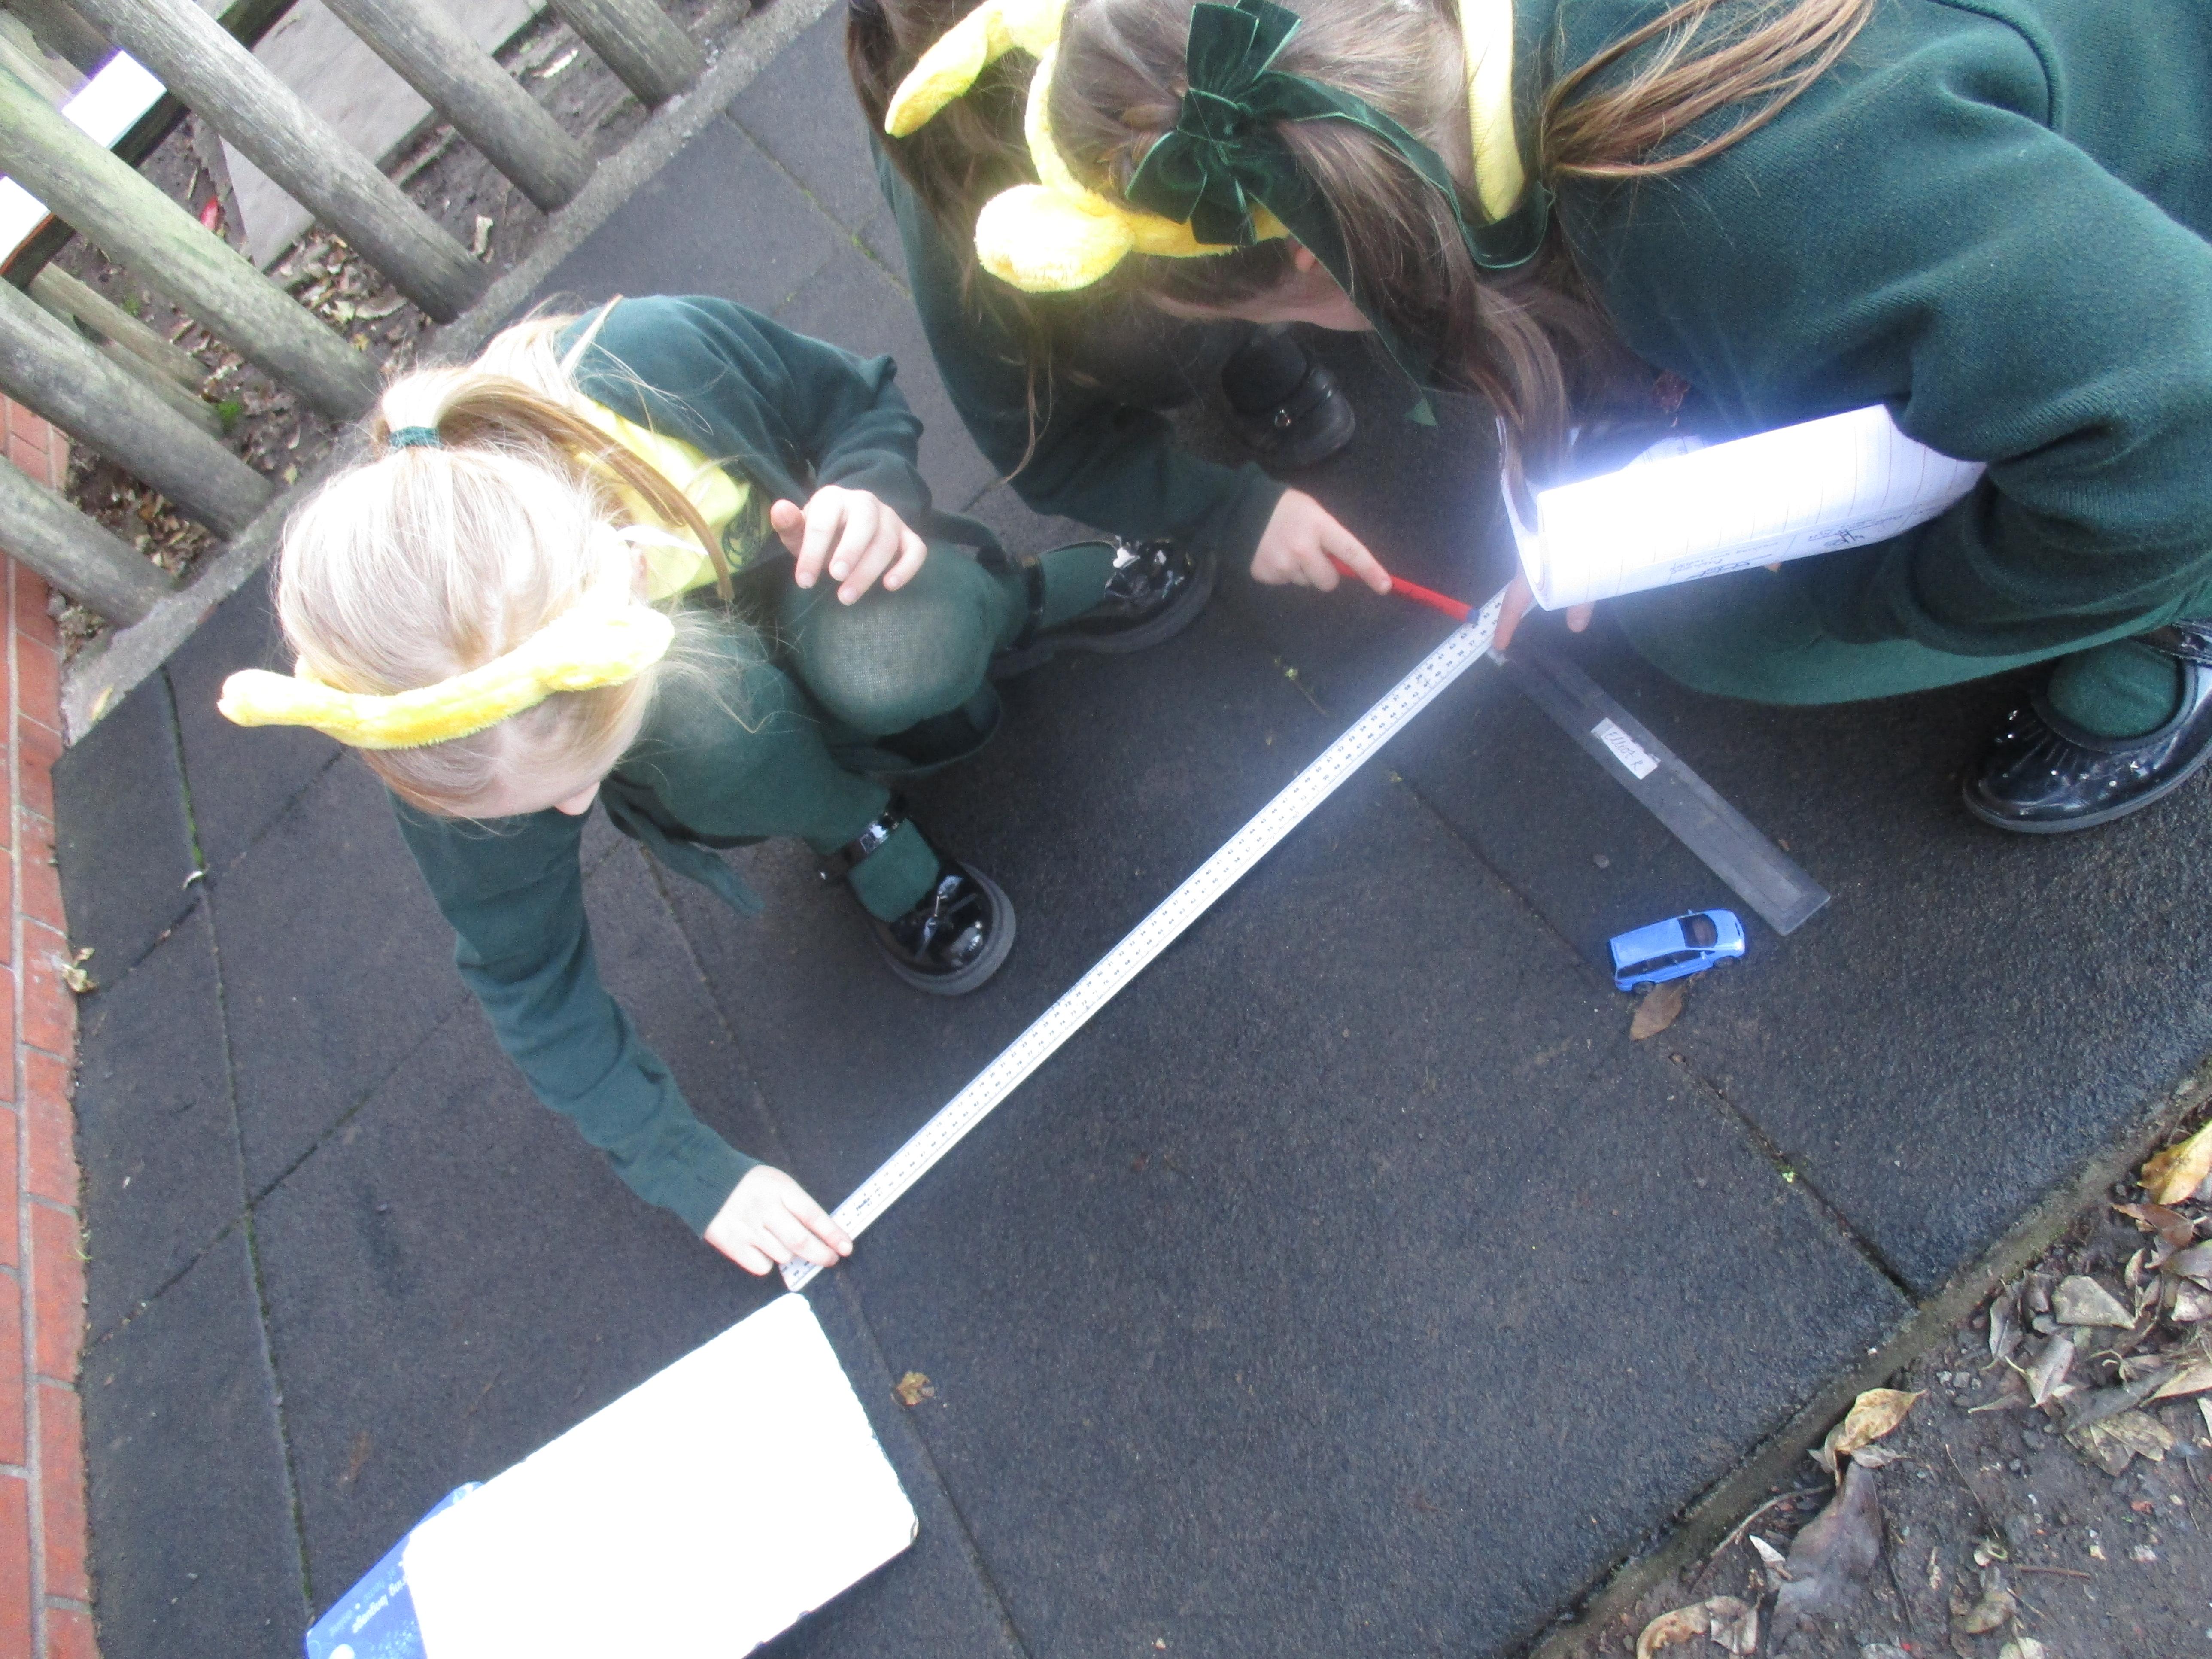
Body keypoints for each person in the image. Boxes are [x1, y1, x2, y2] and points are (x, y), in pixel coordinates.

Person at [878, 0, 2212, 834]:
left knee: (1723, 628)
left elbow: (2172, 427)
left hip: (2171, 290)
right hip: (2056, 169)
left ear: (1327, 265)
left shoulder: (1730, 194)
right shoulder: (1471, 61)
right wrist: (1587, 436)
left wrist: (1889, 583)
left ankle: (2179, 606)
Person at [216, 295, 1210, 1273]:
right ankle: (857, 824)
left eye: (579, 776)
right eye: (557, 796)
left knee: (903, 656)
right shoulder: (453, 743)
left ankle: (1019, 601)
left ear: (629, 579)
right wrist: (692, 1170)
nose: (574, 810)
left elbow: (856, 401)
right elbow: (526, 978)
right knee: (698, 721)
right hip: (716, 715)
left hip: (830, 595)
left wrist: (869, 492)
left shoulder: (657, 359)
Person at [847, 0, 1398, 605]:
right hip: (1117, 319)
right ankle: (1213, 348)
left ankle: (1246, 328)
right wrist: (1231, 511)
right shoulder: (973, 245)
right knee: (1155, 343)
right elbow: (1049, 458)